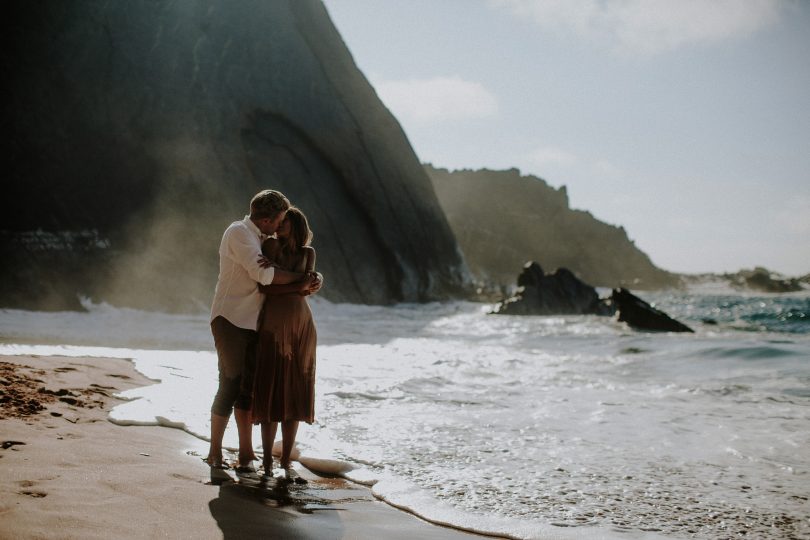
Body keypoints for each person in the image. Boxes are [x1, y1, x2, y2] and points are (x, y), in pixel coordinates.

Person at [207, 190, 320, 470]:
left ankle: (246, 454)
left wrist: (313, 277)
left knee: (249, 390)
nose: (282, 224)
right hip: (230, 318)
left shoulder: (263, 239)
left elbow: (283, 271)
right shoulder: (239, 233)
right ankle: (214, 451)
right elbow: (265, 276)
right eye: (280, 219)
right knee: (230, 384)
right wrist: (304, 278)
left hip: (256, 321)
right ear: (268, 219)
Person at [251, 207, 318, 481]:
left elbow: (309, 287)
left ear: (296, 224)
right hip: (273, 324)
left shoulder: (308, 253)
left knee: (295, 394)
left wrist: (303, 284)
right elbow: (265, 288)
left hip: (302, 325)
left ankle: (286, 461)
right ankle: (267, 460)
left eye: (284, 222)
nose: (278, 226)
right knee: (271, 390)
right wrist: (298, 285)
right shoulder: (271, 246)